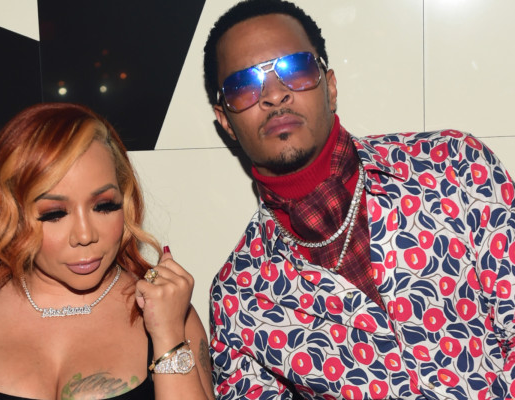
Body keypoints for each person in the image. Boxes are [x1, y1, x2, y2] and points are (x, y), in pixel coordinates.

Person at [204, 0, 515, 398]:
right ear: (226, 121)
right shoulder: (238, 297)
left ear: (330, 86)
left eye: (295, 69)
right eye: (244, 86)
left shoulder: (452, 165)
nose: (275, 94)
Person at [0, 103, 215, 400]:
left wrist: (167, 335)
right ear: (12, 213)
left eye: (104, 206)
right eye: (54, 213)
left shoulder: (168, 311)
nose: (85, 235)